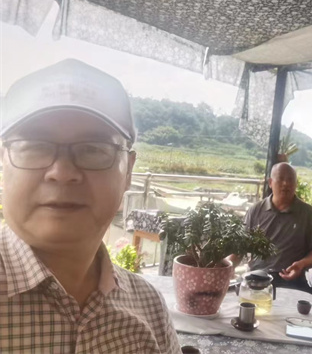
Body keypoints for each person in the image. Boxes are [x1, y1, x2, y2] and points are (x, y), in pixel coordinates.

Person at [0, 59, 181, 353]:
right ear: (3, 160)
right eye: (35, 145)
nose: (62, 172)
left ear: (128, 171)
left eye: (93, 149)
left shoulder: (149, 308)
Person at [236, 162, 312, 293]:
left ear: (296, 184)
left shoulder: (308, 214)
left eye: (290, 180)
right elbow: (239, 247)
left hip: (292, 279)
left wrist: (301, 264)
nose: (285, 184)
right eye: (280, 179)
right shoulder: (255, 210)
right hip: (257, 278)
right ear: (270, 183)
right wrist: (226, 266)